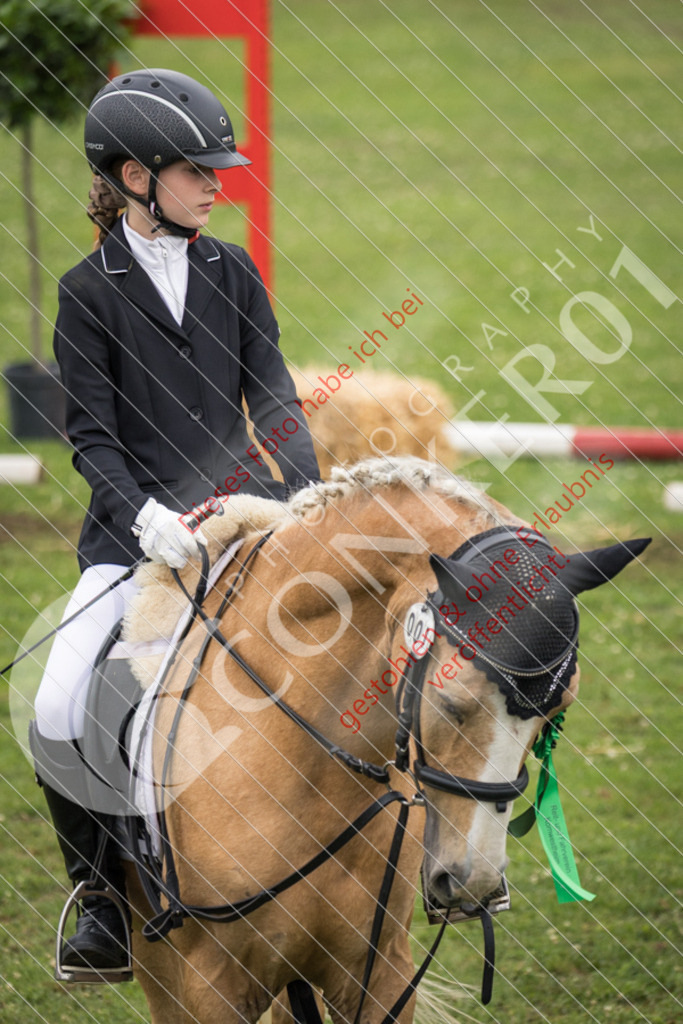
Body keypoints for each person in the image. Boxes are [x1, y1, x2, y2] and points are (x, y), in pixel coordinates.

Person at [29, 68, 320, 976]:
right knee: (56, 707)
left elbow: (272, 397)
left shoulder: (232, 269)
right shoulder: (87, 293)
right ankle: (103, 901)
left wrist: (304, 491)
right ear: (135, 176)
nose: (216, 183)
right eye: (198, 169)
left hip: (241, 525)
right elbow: (90, 439)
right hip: (133, 541)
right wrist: (145, 516)